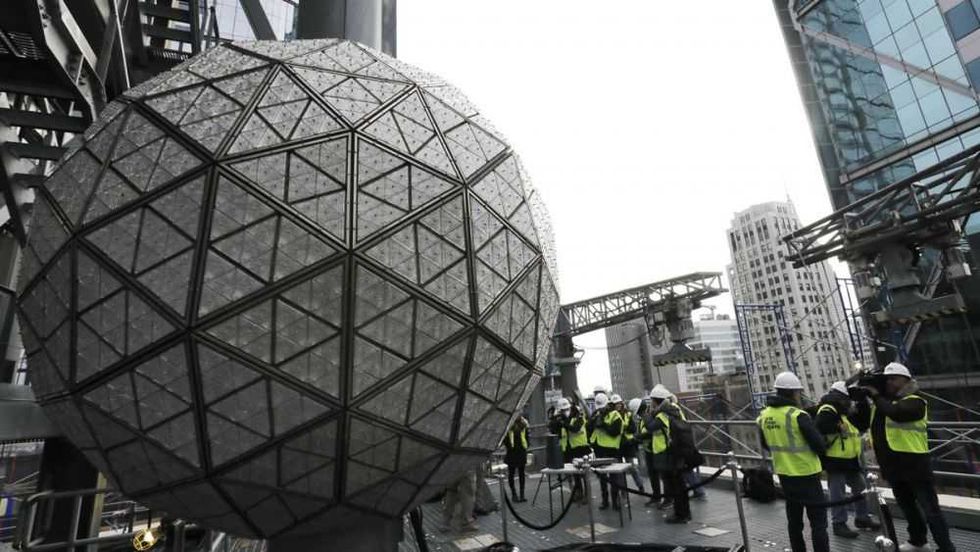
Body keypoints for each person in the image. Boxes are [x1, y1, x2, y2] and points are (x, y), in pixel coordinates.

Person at [853, 362, 956, 552]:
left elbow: (897, 414)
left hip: (915, 465)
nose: (889, 382)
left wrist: (875, 395)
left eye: (894, 379)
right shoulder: (881, 403)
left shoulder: (916, 401)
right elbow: (861, 423)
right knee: (908, 508)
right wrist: (859, 399)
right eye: (887, 379)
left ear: (906, 380)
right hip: (893, 466)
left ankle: (946, 547)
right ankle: (918, 541)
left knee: (930, 510)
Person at [757, 372, 828, 552]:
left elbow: (766, 445)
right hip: (807, 473)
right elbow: (819, 445)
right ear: (793, 392)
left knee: (794, 521)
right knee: (818, 522)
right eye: (798, 392)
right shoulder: (798, 415)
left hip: (784, 473)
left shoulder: (764, 416)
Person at [815, 381, 880, 538]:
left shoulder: (843, 413)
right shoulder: (828, 409)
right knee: (838, 492)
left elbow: (862, 423)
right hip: (835, 460)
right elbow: (820, 426)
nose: (849, 401)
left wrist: (862, 401)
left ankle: (862, 518)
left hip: (849, 460)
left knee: (860, 487)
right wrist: (837, 427)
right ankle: (839, 523)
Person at [644, 385, 690, 524]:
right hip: (676, 449)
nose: (650, 403)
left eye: (652, 400)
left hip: (668, 451)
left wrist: (646, 415)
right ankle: (683, 513)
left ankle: (680, 514)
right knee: (678, 483)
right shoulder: (676, 409)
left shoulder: (664, 414)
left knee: (674, 483)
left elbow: (651, 427)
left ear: (656, 401)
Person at [549, 397, 591, 503]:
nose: (564, 412)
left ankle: (587, 494)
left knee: (583, 473)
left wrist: (563, 423)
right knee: (574, 474)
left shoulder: (578, 415)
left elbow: (575, 428)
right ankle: (578, 493)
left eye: (566, 409)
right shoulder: (561, 418)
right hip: (568, 449)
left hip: (581, 448)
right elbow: (553, 430)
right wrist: (554, 420)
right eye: (562, 410)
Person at [589, 392, 624, 510]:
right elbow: (589, 429)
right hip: (599, 449)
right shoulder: (597, 414)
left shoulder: (615, 415)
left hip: (612, 450)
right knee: (602, 477)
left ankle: (616, 501)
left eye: (602, 407)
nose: (601, 409)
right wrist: (593, 420)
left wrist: (603, 424)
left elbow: (615, 432)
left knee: (614, 477)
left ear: (607, 405)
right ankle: (605, 501)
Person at [636, 392, 662, 507]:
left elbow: (650, 432)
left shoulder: (649, 417)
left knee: (662, 475)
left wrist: (637, 437)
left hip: (655, 449)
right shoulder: (643, 419)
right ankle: (656, 496)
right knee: (653, 475)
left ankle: (664, 498)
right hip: (649, 450)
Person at [442, 470, 478, 534]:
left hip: (452, 465)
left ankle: (445, 522)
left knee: (452, 491)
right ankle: (467, 522)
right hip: (465, 464)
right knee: (468, 493)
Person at [622, 398, 646, 493]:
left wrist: (624, 427)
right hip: (618, 445)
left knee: (632, 467)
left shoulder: (628, 415)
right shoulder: (612, 415)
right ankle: (623, 490)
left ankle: (640, 486)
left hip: (628, 444)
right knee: (619, 470)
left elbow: (633, 428)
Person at [503, 415, 529, 502]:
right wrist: (509, 447)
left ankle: (522, 494)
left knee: (522, 473)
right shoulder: (509, 425)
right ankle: (514, 494)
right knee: (511, 473)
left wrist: (526, 445)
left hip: (521, 451)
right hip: (512, 452)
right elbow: (505, 438)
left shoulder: (523, 424)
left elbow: (526, 436)